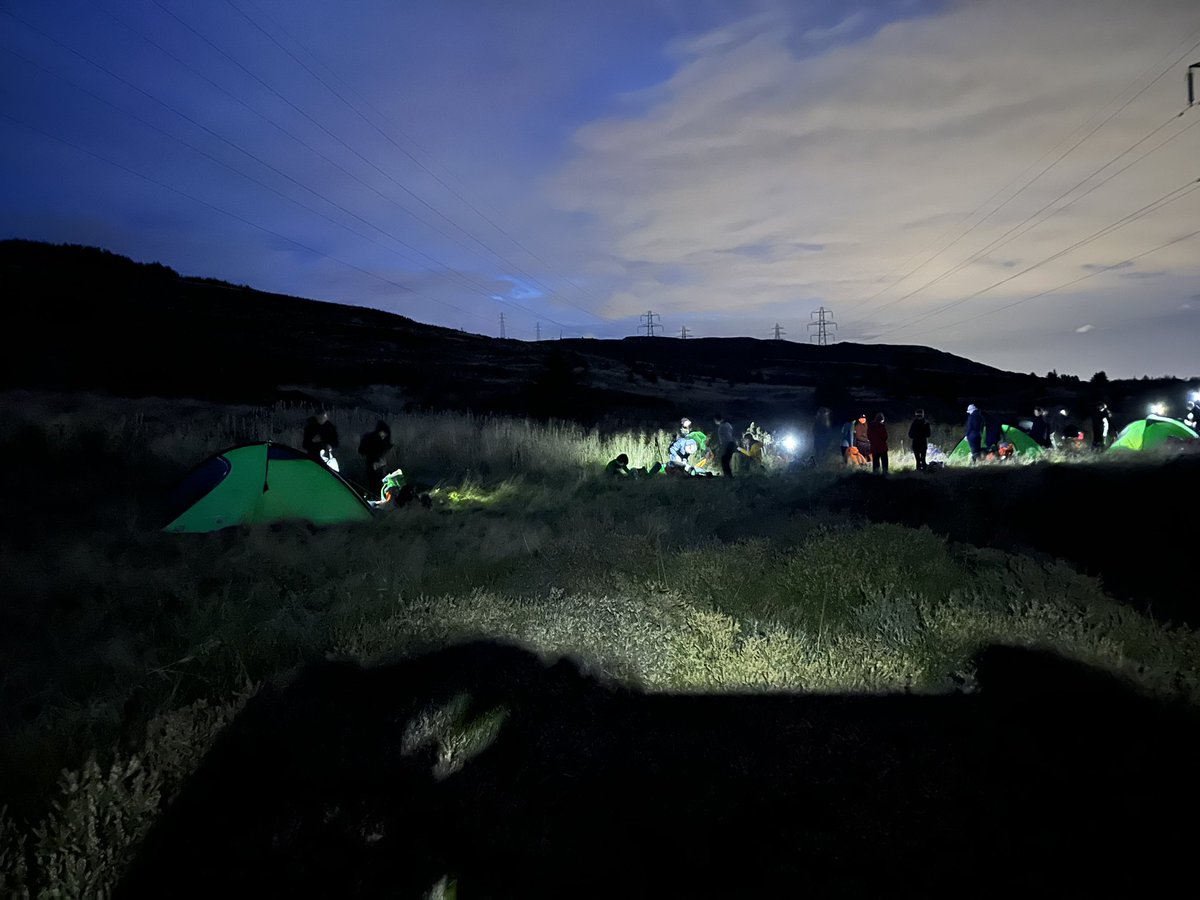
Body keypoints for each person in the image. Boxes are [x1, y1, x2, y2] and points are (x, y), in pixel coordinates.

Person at [357, 420, 393, 498]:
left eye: (385, 434)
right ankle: (372, 495)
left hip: (379, 464)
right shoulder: (370, 438)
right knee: (373, 482)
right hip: (372, 463)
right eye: (382, 434)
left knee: (378, 482)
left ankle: (376, 495)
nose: (383, 436)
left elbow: (388, 448)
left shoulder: (384, 440)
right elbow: (361, 451)